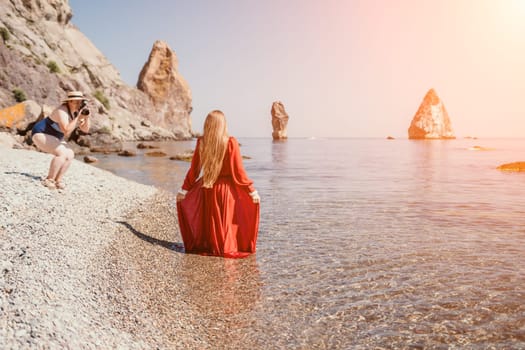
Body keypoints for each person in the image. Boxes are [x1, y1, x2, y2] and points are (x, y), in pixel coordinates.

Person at [176, 110, 261, 258]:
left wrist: (184, 190)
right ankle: (224, 249)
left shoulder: (201, 142)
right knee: (226, 222)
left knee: (211, 221)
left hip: (207, 187)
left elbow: (194, 171)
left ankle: (213, 246)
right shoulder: (230, 142)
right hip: (226, 190)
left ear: (207, 124)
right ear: (223, 124)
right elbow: (239, 171)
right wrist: (251, 190)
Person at [31, 91, 91, 190]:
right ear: (69, 102)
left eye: (80, 102)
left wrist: (86, 118)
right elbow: (66, 131)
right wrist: (77, 117)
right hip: (41, 133)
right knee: (61, 153)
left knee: (70, 154)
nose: (79, 104)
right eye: (76, 102)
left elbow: (85, 130)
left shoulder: (76, 112)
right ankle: (49, 179)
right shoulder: (62, 111)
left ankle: (58, 180)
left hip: (55, 137)